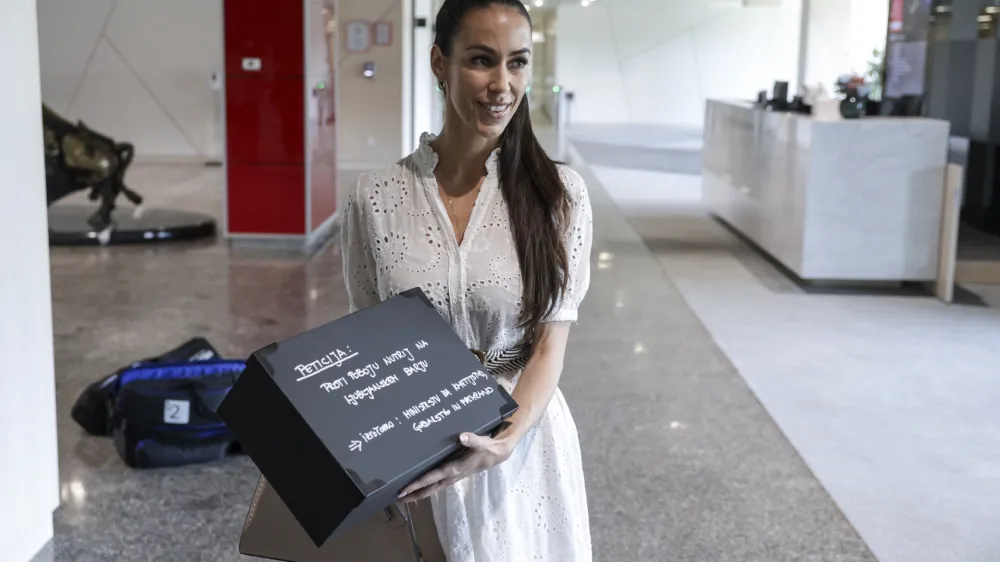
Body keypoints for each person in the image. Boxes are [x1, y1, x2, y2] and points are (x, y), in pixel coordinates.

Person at [340, 0, 593, 560]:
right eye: (482, 60)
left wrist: (503, 443)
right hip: (413, 444)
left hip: (521, 443)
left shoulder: (559, 195)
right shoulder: (375, 196)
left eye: (518, 63)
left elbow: (550, 344)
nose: (502, 84)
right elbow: (367, 340)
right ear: (440, 63)